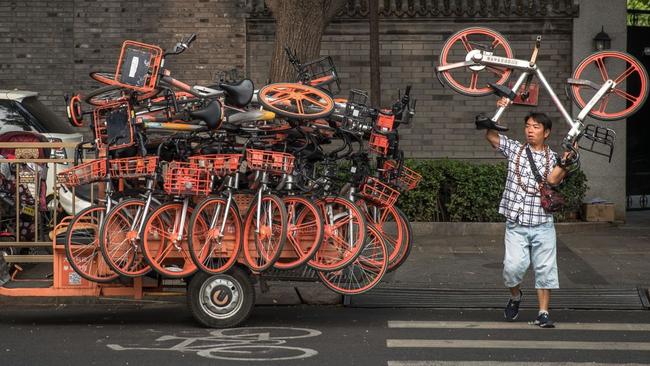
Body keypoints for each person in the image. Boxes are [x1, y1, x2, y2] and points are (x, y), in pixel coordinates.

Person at [479, 97, 575, 328]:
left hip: (543, 224)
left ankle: (543, 313)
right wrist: (502, 107)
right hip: (516, 223)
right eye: (528, 126)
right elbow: (490, 135)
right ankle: (515, 296)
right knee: (512, 269)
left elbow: (553, 179)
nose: (530, 131)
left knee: (545, 269)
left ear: (547, 133)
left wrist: (567, 159)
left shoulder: (554, 158)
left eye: (536, 127)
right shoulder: (515, 150)